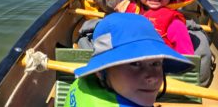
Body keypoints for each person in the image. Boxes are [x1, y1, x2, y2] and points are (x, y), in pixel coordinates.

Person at [65, 13, 194, 107]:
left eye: (156, 63)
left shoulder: (82, 83)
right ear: (101, 71)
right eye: (135, 64)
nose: (153, 78)